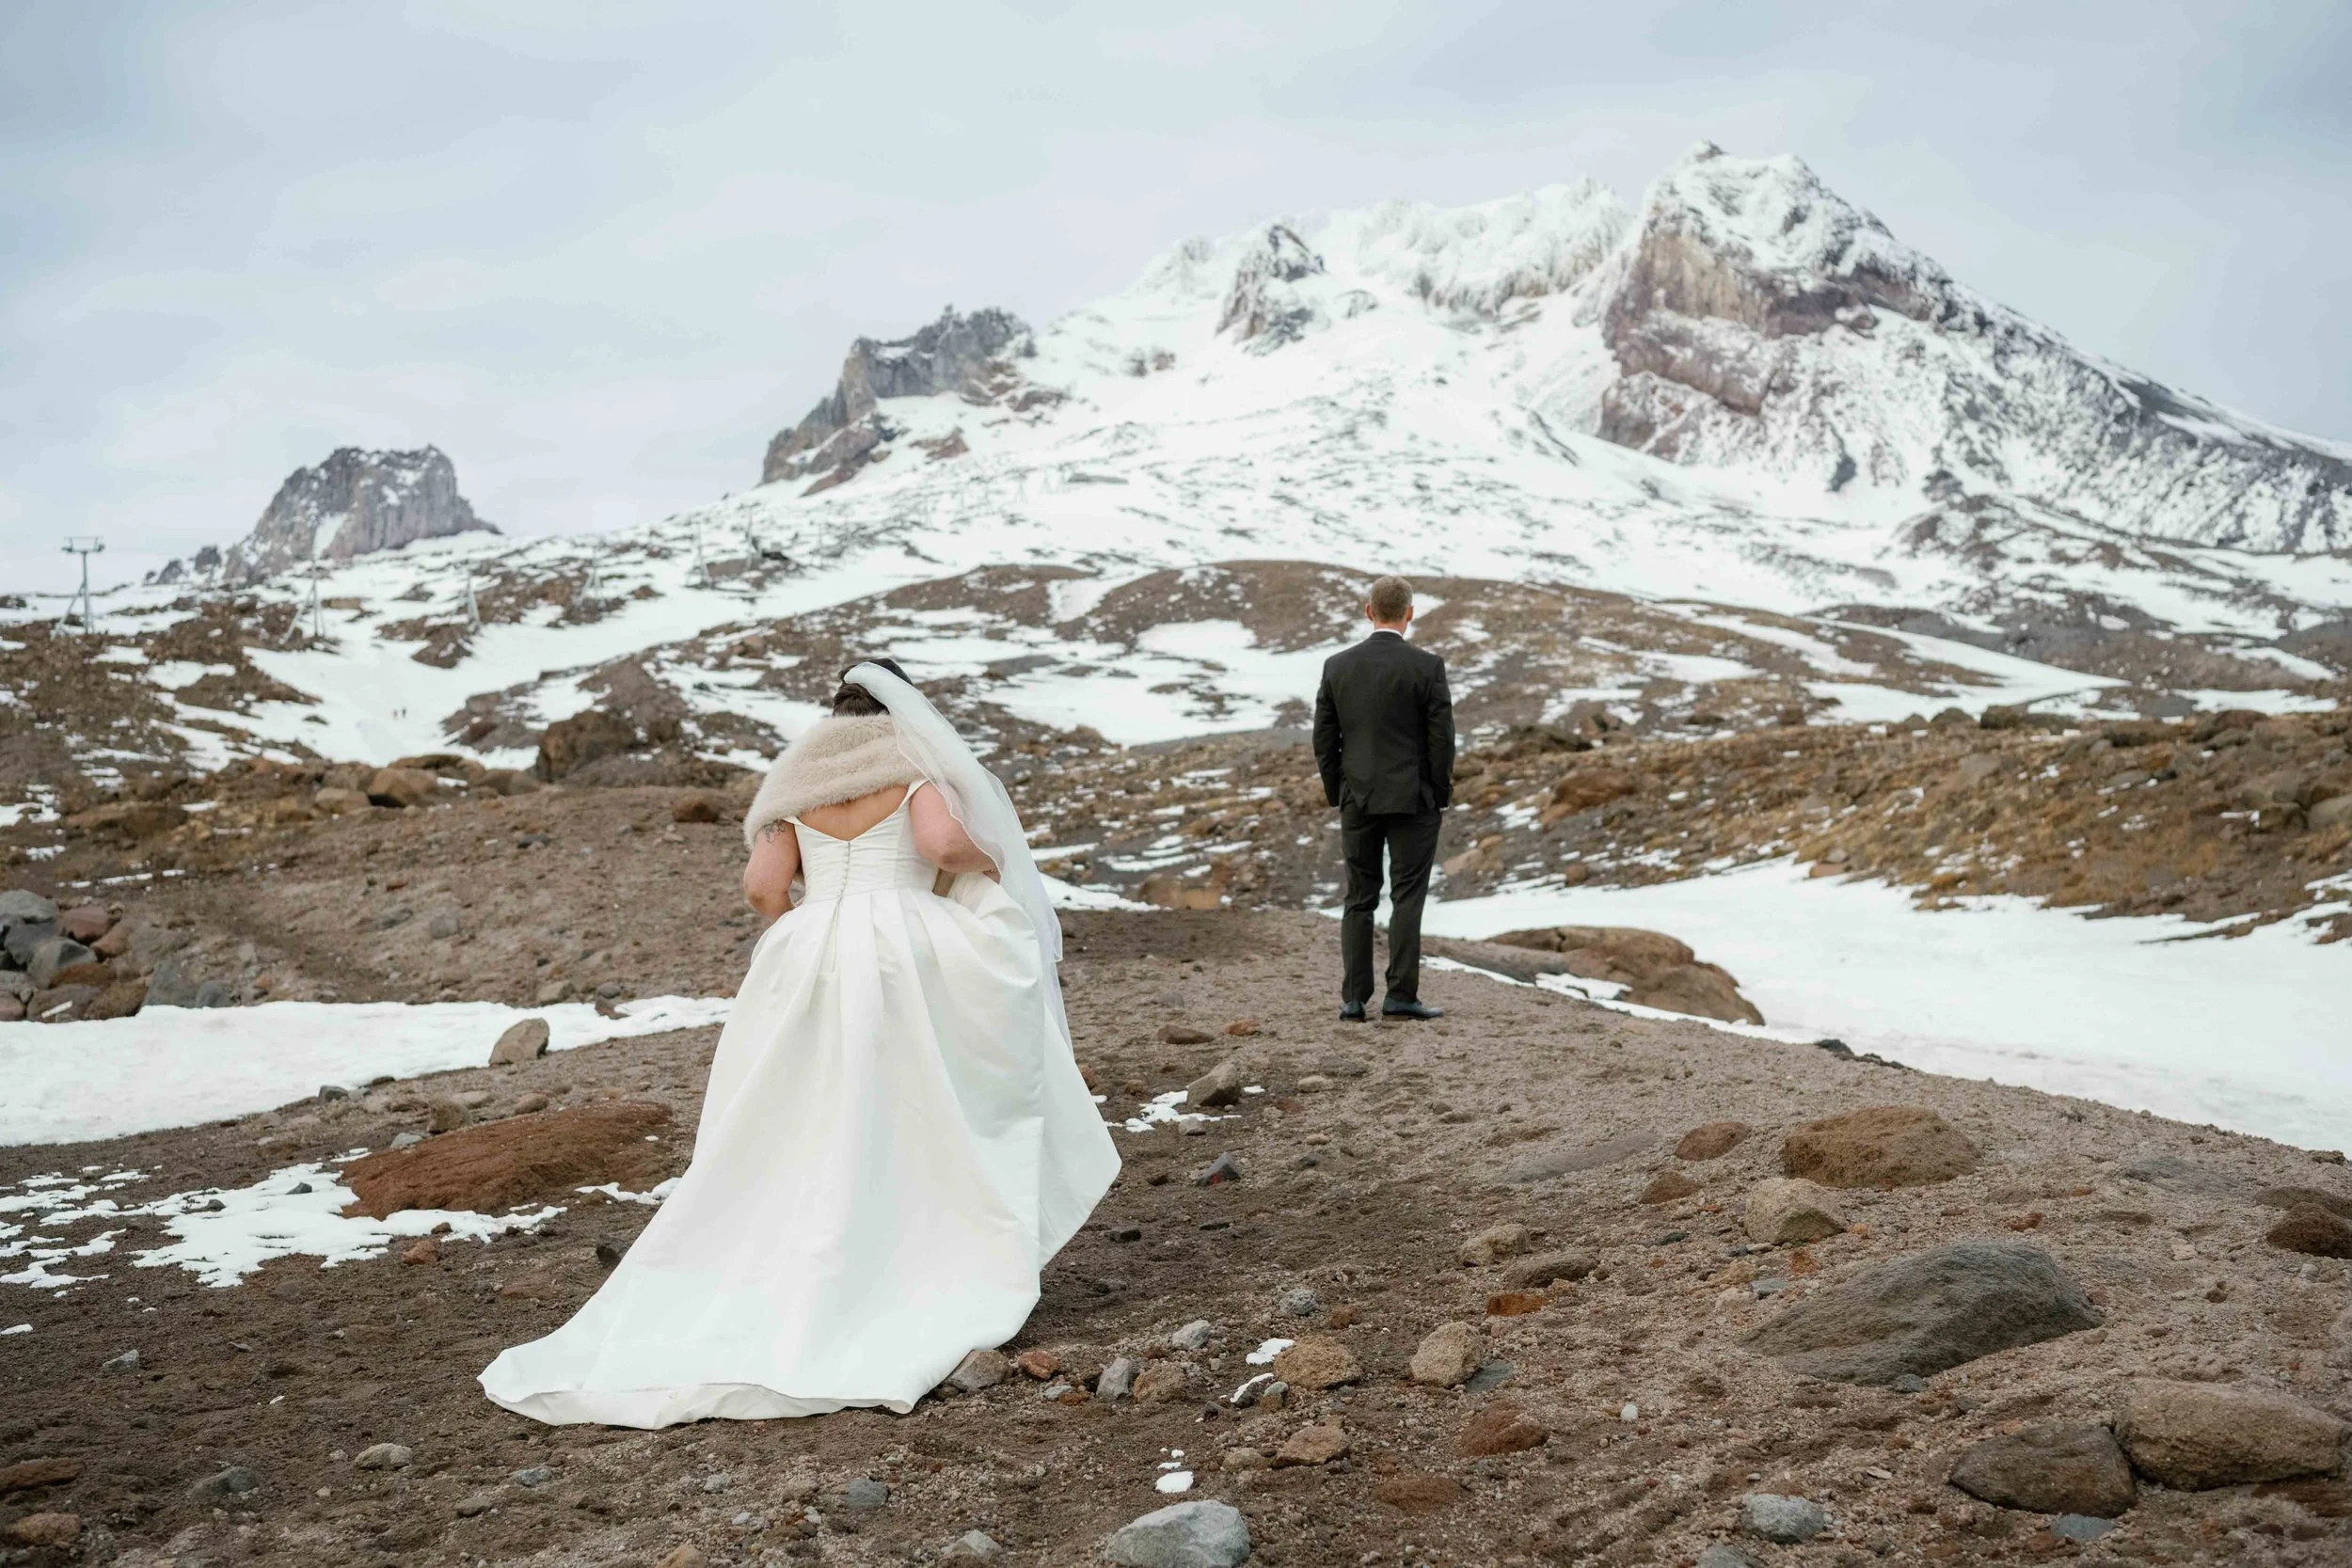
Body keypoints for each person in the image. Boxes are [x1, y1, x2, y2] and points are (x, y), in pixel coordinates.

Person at [479, 658, 1119, 1427]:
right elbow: (942, 844)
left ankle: (798, 1254)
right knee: (914, 1102)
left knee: (800, 1116)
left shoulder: (798, 783)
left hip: (811, 951)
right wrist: (994, 863)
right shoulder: (912, 764)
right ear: (902, 709)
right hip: (903, 949)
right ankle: (910, 1250)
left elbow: (762, 886)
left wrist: (807, 927)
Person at [1311, 575, 1455, 1022]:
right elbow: (1441, 740)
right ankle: (1400, 996)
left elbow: (1324, 739)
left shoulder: (1337, 666)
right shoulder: (1427, 667)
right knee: (1407, 897)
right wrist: (1438, 792)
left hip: (1358, 797)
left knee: (1359, 897)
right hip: (1414, 799)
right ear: (1409, 613)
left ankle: (1354, 999)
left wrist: (1339, 792)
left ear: (1368, 610)